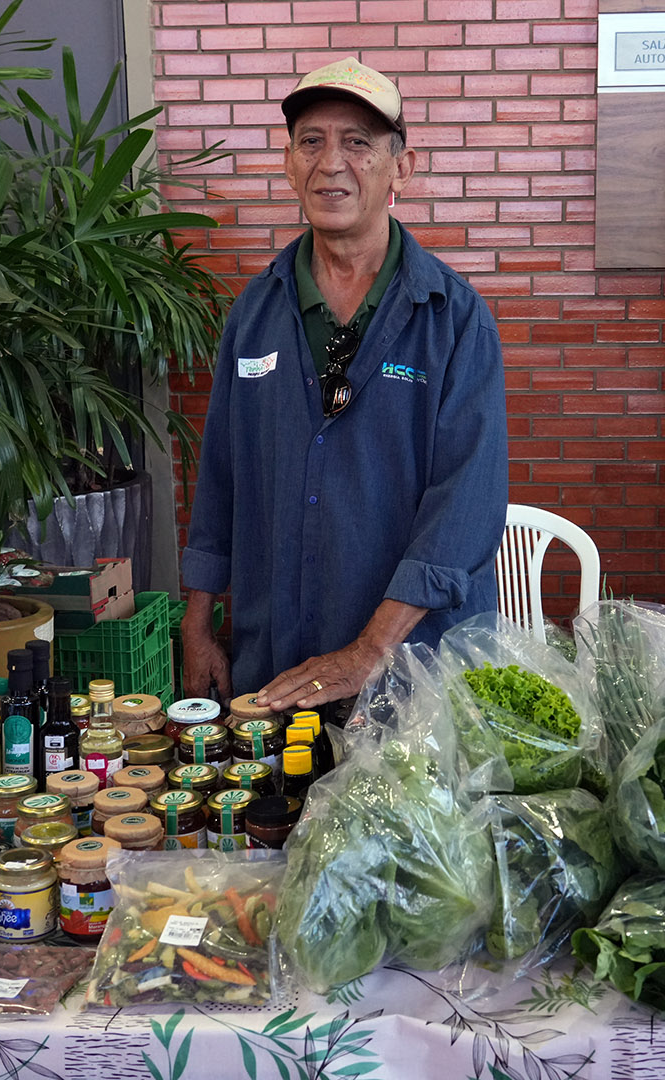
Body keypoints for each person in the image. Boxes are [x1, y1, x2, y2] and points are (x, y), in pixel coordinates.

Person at [178, 57, 509, 716]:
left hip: (417, 682)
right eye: (312, 141)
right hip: (276, 667)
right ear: (289, 162)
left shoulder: (454, 318)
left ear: (401, 168)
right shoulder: (255, 314)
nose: (332, 162)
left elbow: (464, 510)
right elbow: (221, 475)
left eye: (358, 142)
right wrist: (197, 621)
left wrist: (368, 651)